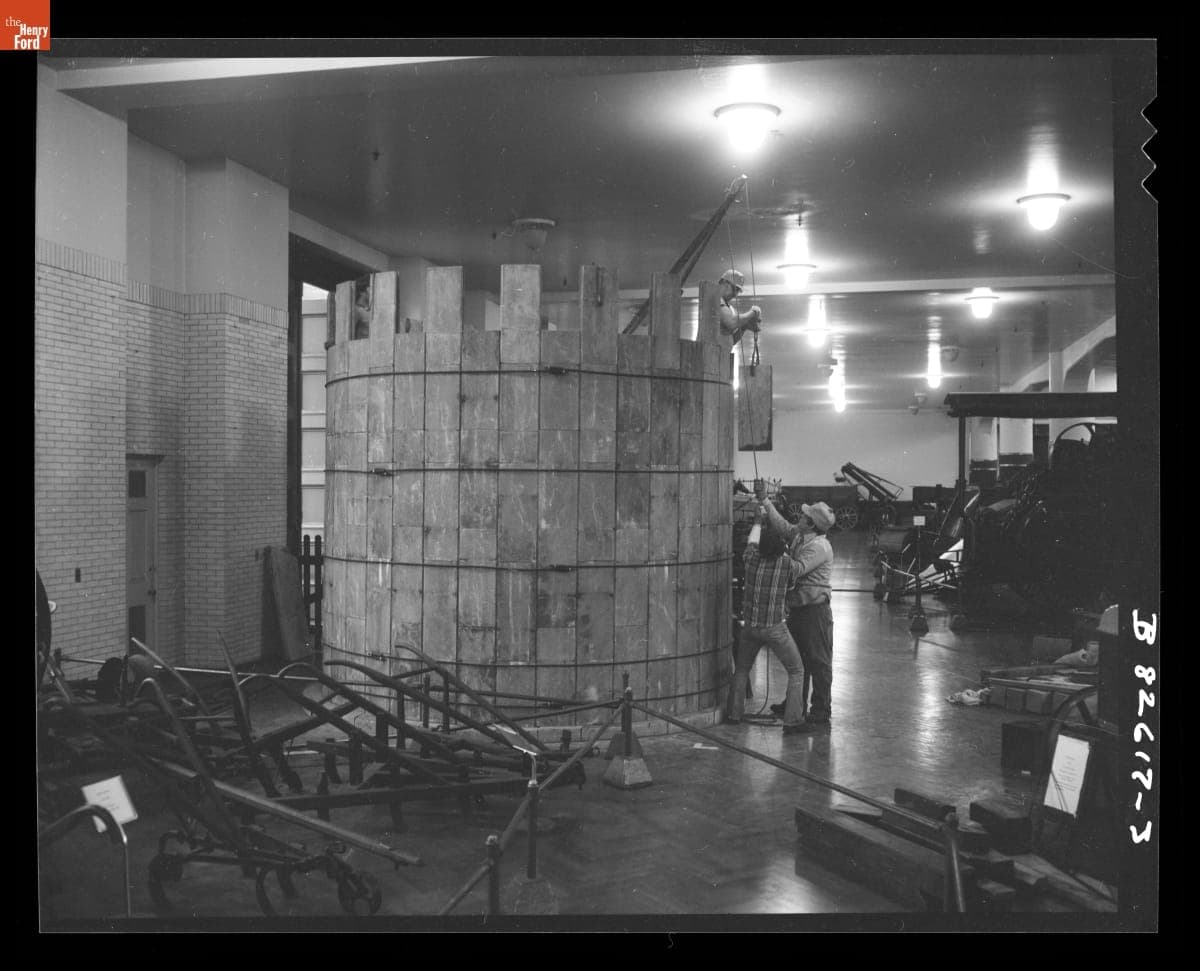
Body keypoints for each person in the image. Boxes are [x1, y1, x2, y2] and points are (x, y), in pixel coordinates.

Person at [724, 505, 808, 730]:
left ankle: (734, 714)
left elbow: (751, 542)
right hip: (775, 628)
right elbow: (798, 572)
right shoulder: (786, 564)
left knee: (742, 670)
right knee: (796, 671)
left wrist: (758, 521)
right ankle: (793, 721)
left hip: (750, 627)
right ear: (780, 548)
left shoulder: (751, 559)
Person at [760, 496, 836, 734]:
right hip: (799, 609)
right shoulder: (801, 536)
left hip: (815, 612)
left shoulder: (819, 547)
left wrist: (775, 552)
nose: (799, 517)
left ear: (811, 524)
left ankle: (821, 711)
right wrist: (765, 501)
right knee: (798, 662)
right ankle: (794, 705)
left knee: (818, 662)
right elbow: (784, 527)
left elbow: (797, 570)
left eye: (804, 516)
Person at [717, 269, 763, 345]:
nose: (735, 294)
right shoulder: (715, 299)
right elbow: (731, 322)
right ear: (725, 283)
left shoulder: (728, 308)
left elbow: (731, 341)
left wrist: (743, 327)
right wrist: (753, 312)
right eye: (735, 289)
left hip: (720, 351)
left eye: (737, 291)